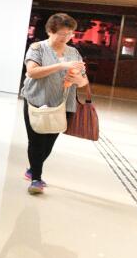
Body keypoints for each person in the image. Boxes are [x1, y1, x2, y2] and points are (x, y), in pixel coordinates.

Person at [20, 13, 87, 195]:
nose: (66, 37)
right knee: (36, 141)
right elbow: (32, 72)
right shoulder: (37, 48)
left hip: (63, 104)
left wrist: (77, 79)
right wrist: (61, 66)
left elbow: (83, 82)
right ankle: (36, 179)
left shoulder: (74, 53)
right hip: (36, 100)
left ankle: (32, 169)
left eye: (70, 34)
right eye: (62, 33)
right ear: (50, 31)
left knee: (49, 143)